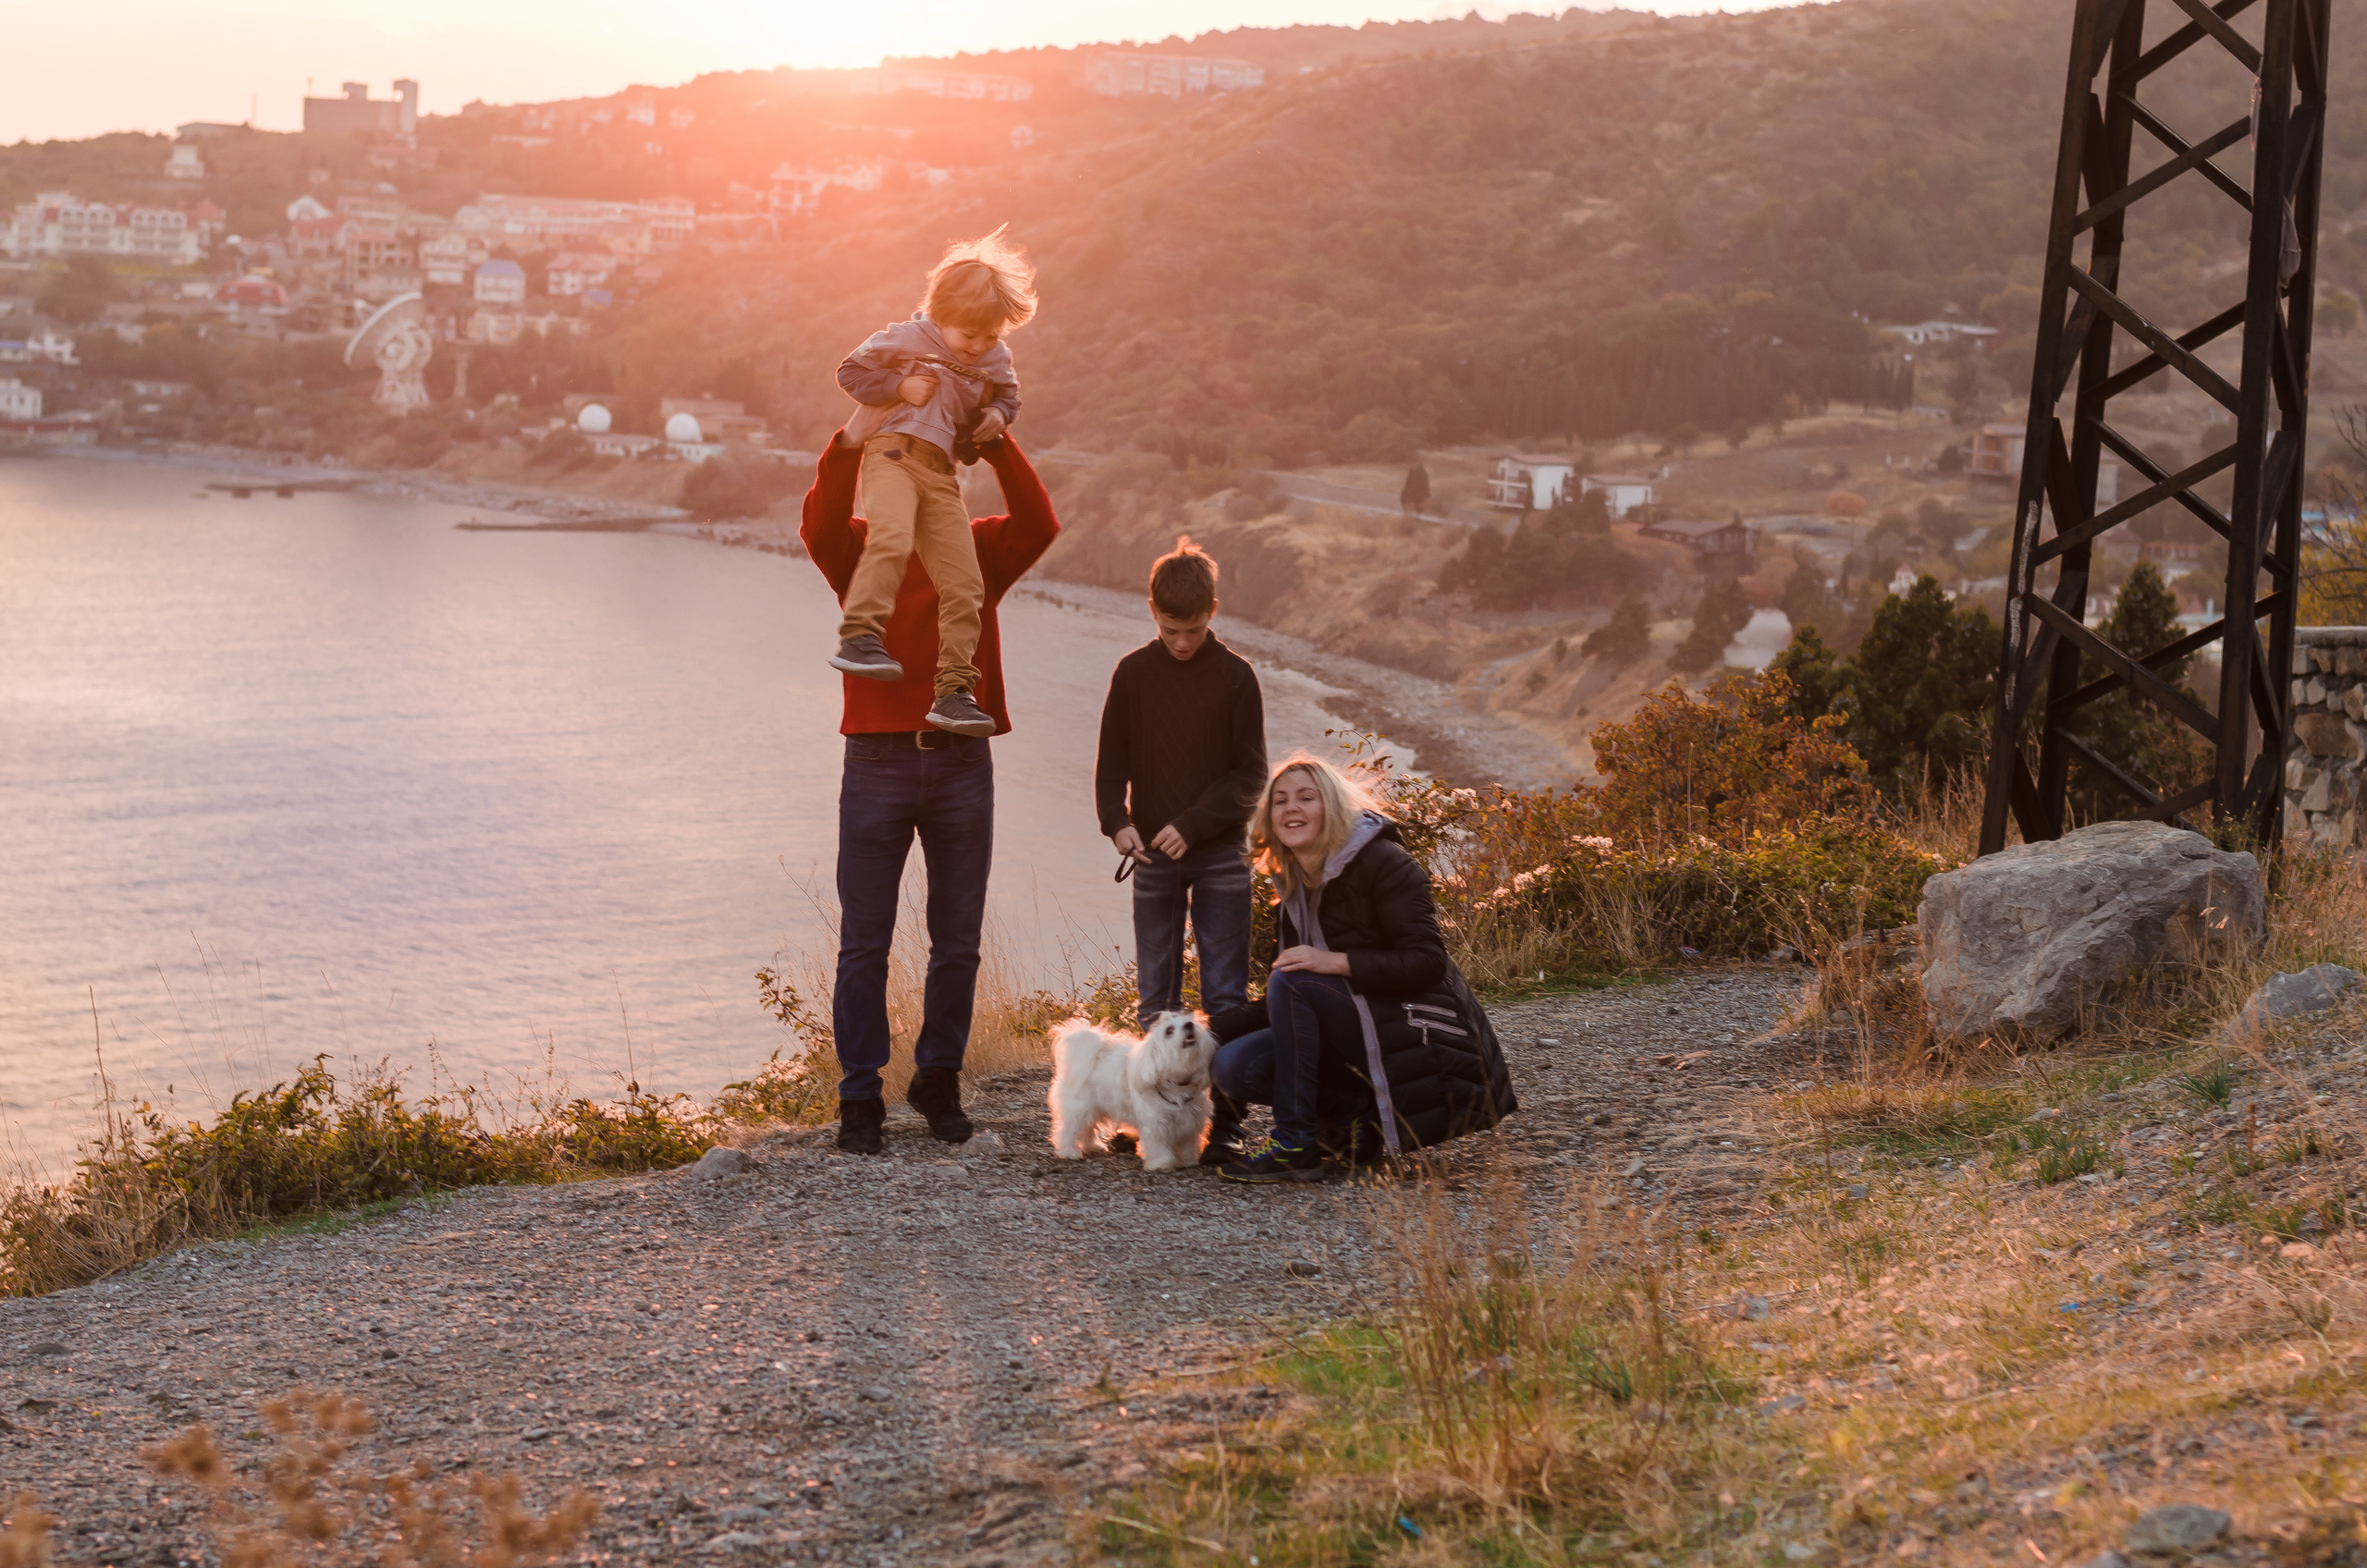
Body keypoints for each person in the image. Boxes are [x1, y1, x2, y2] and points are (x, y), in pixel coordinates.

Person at [798, 402, 1060, 1156]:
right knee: (864, 943)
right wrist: (848, 441)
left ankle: (938, 1079)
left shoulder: (979, 549)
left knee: (958, 940)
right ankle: (860, 1095)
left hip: (960, 761)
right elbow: (817, 525)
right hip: (875, 761)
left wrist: (998, 443)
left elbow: (1040, 524)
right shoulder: (861, 549)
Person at [1208, 755, 1517, 1182]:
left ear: (1332, 806)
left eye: (1306, 798)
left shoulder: (1382, 860)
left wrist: (1334, 961)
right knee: (1234, 1066)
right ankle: (1359, 1114)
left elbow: (1428, 962)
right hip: (1359, 1026)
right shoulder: (1294, 886)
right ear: (1269, 818)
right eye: (1280, 801)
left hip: (1421, 1030)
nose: (1291, 808)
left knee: (1293, 979)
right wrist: (1206, 1029)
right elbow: (1290, 1003)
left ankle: (1295, 1143)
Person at [1093, 536, 1267, 1164]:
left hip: (1220, 854)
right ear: (1152, 612)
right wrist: (1117, 824)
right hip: (1150, 857)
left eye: (1192, 630)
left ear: (1212, 611)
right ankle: (1153, 1122)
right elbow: (1111, 766)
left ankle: (1225, 1127)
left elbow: (1251, 776)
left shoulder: (1237, 678)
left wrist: (1192, 824)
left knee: (1224, 997)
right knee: (1156, 999)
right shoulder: (1132, 674)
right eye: (1170, 630)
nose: (1183, 642)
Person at [830, 227, 1035, 740]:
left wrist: (997, 414)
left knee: (966, 585)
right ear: (940, 314)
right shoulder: (906, 336)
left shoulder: (995, 358)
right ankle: (860, 636)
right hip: (893, 455)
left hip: (942, 474)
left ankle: (955, 692)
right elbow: (850, 372)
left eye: (990, 336)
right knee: (892, 537)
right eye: (969, 335)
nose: (979, 346)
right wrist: (899, 385)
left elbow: (1009, 397)